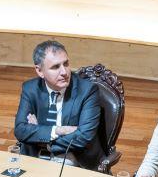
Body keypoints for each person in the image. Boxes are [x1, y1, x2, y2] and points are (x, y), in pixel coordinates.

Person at [14, 40, 105, 169]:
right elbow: (20, 130)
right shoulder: (30, 89)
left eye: (66, 64)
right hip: (35, 156)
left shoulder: (87, 91)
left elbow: (84, 137)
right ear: (40, 71)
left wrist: (42, 137)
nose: (64, 72)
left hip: (74, 158)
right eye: (55, 67)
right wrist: (58, 130)